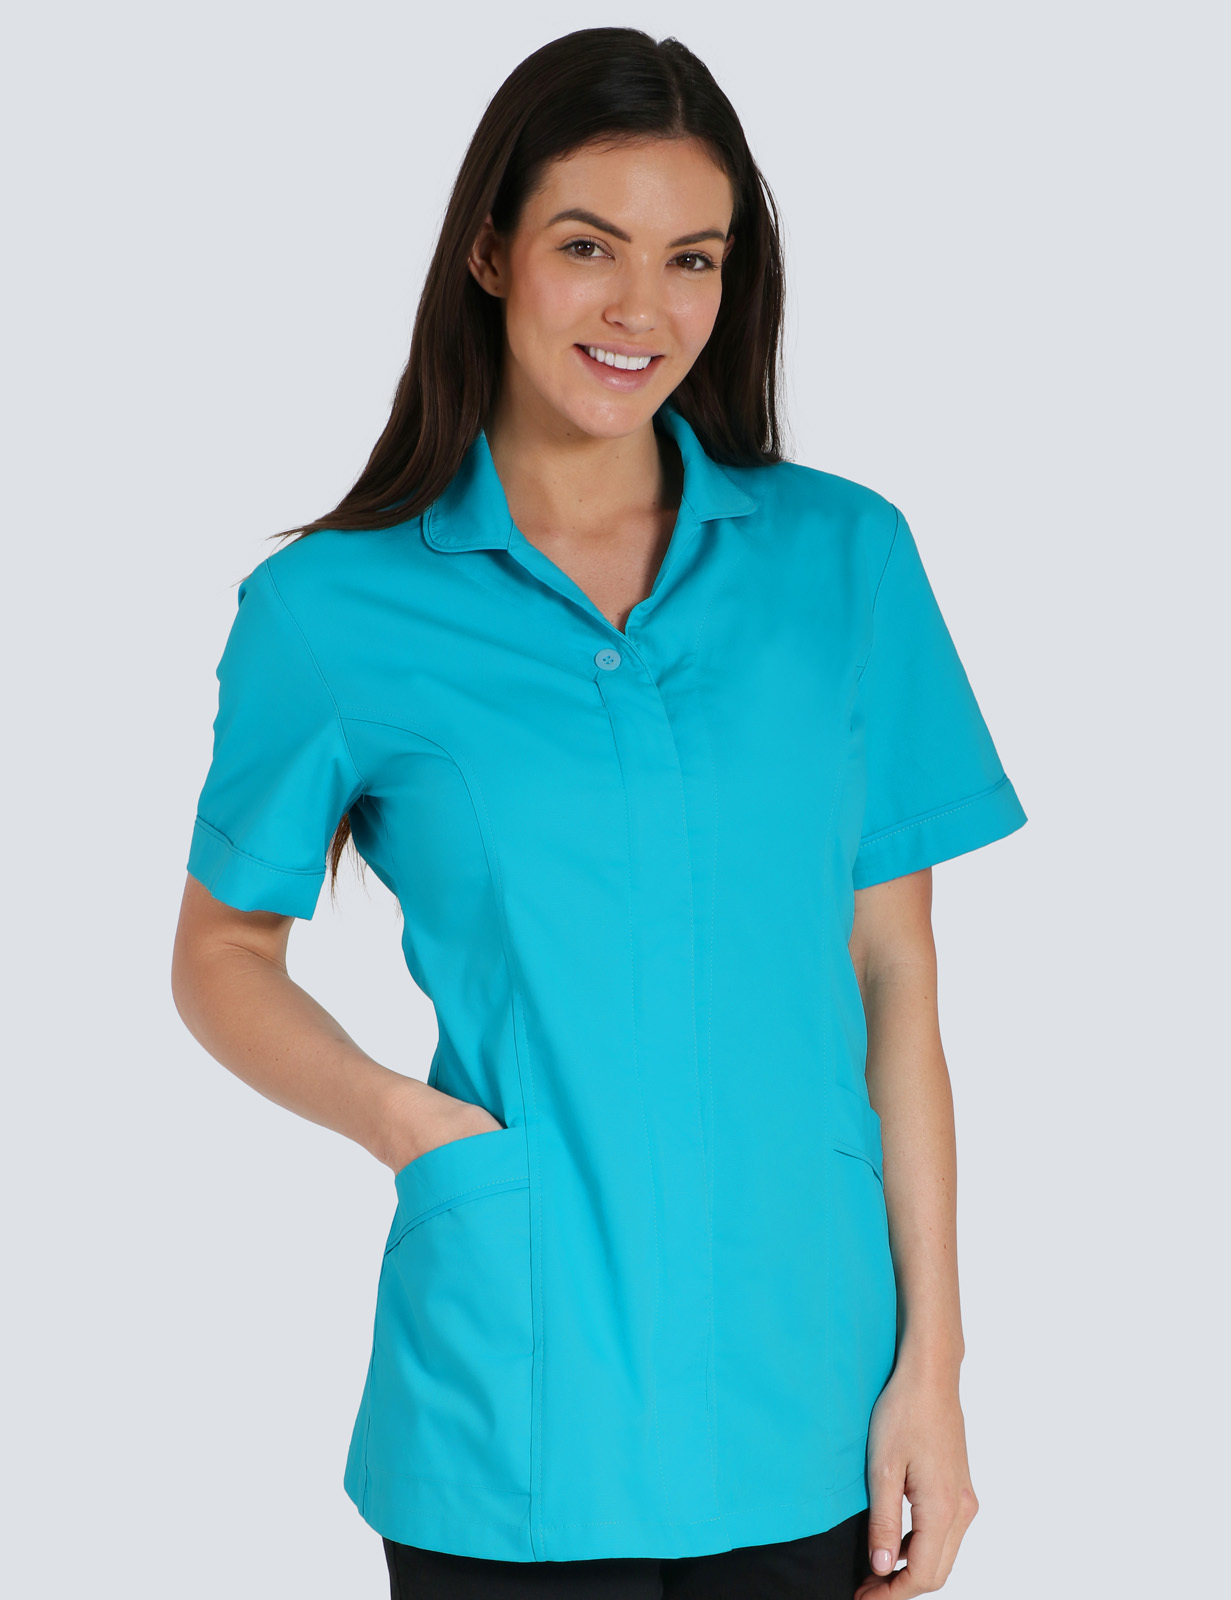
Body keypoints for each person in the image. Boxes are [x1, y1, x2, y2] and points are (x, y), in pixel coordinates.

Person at [171, 25, 1027, 1600]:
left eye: (692, 258)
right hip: (514, 1401)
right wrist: (406, 1125)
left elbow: (894, 975)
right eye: (590, 246)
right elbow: (221, 953)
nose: (644, 308)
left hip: (810, 1387)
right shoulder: (331, 611)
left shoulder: (844, 562)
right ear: (491, 250)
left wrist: (936, 1369)